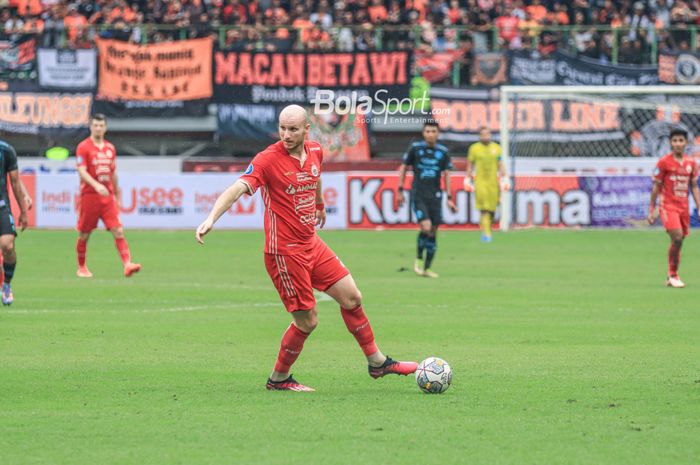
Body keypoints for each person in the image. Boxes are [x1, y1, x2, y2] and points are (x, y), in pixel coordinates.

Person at [196, 105, 418, 392]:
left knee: (352, 297)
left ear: (306, 129)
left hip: (311, 243)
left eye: (292, 129)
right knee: (307, 321)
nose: (286, 135)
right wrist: (211, 218)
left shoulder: (315, 150)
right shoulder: (267, 160)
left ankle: (377, 363)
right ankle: (279, 379)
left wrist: (320, 203)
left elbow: (316, 175)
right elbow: (237, 188)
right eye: (282, 128)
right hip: (284, 253)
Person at [75, 114, 141, 278]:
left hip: (107, 197)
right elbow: (81, 171)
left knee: (118, 230)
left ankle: (127, 264)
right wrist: (96, 185)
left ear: (105, 127)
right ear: (91, 126)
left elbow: (113, 172)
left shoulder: (110, 148)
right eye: (95, 125)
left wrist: (117, 194)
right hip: (90, 196)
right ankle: (82, 267)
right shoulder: (83, 147)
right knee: (84, 233)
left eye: (101, 125)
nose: (98, 128)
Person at [397, 120, 456, 278]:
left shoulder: (443, 152)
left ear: (438, 133)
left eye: (433, 131)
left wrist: (450, 197)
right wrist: (400, 189)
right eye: (428, 131)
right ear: (424, 133)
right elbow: (404, 167)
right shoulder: (415, 149)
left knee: (433, 231)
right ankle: (419, 259)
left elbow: (447, 174)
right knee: (426, 226)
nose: (430, 134)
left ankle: (427, 268)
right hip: (419, 194)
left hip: (436, 196)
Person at [647, 128, 700, 288]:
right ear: (670, 143)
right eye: (675, 140)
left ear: (686, 143)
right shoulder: (664, 162)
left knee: (679, 241)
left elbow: (694, 187)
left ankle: (672, 274)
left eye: (680, 140)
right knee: (677, 237)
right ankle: (673, 275)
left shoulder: (691, 163)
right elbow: (656, 187)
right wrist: (651, 210)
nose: (677, 144)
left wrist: (699, 206)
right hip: (668, 206)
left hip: (683, 207)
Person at [0, 139, 32, 305]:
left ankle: (6, 285)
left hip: (1, 206)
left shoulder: (6, 151)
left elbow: (15, 182)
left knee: (8, 245)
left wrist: (23, 212)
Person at [464, 127, 509, 242]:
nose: (485, 136)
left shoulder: (496, 148)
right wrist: (468, 179)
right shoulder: (474, 148)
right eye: (483, 134)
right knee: (484, 209)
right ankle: (486, 234)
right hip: (480, 182)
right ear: (480, 136)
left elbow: (500, 164)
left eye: (487, 134)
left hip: (493, 183)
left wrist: (505, 178)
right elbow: (470, 165)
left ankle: (487, 228)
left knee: (492, 210)